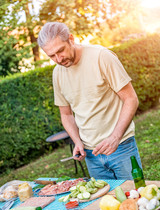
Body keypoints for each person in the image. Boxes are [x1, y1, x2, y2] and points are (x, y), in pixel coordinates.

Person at [37, 22, 143, 180]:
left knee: (136, 198)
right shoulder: (58, 73)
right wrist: (77, 142)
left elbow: (131, 99)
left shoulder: (101, 56)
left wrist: (115, 137)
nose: (58, 59)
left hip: (121, 147)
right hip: (91, 155)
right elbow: (66, 115)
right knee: (105, 203)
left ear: (71, 39)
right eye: (51, 56)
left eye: (60, 50)